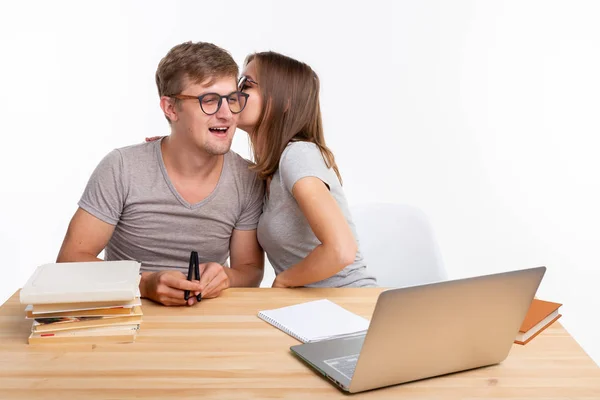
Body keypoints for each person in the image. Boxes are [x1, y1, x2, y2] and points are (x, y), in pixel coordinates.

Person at [56, 41, 265, 306]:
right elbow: (70, 260)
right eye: (209, 100)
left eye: (232, 99)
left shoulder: (246, 178)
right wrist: (142, 284)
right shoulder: (122, 167)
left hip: (208, 325)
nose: (227, 114)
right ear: (170, 108)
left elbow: (249, 269)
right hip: (130, 320)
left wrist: (227, 277)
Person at [236, 51, 377, 288]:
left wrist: (283, 281)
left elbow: (341, 250)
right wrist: (178, 148)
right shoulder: (267, 173)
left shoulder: (297, 154)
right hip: (312, 309)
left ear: (285, 100)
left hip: (350, 304)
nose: (235, 94)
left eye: (246, 84)